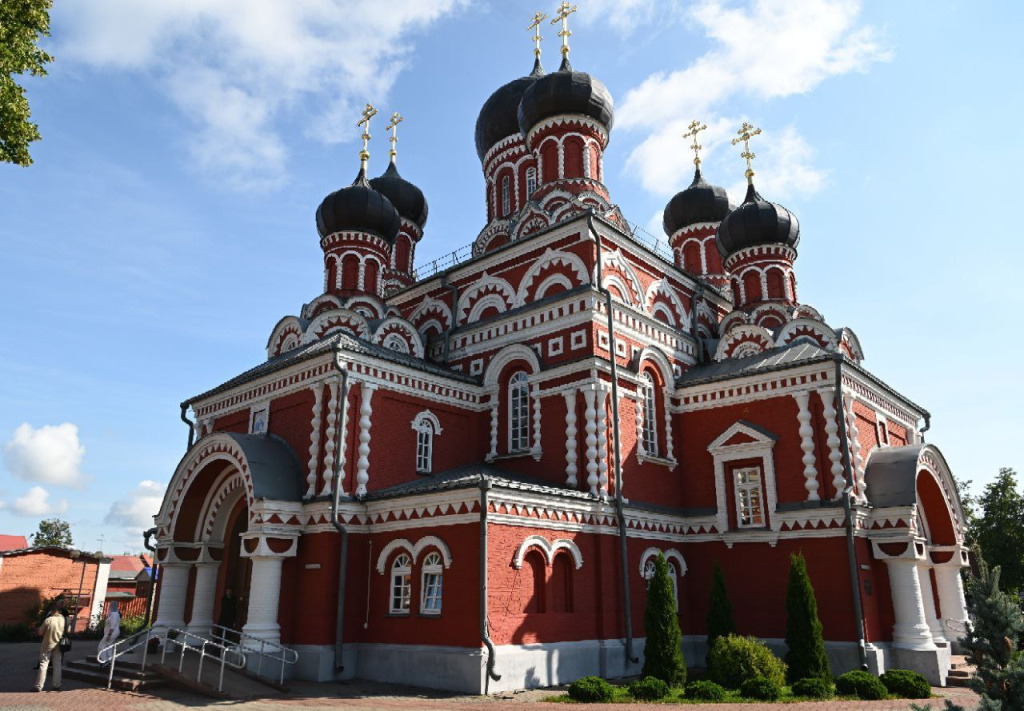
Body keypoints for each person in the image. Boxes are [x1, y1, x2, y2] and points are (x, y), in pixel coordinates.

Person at [35, 599, 66, 692]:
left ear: (52, 611)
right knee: (57, 665)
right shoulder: (62, 619)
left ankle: (39, 686)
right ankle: (57, 685)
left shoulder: (48, 620)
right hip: (58, 644)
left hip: (47, 643)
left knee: (44, 664)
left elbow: (40, 632)